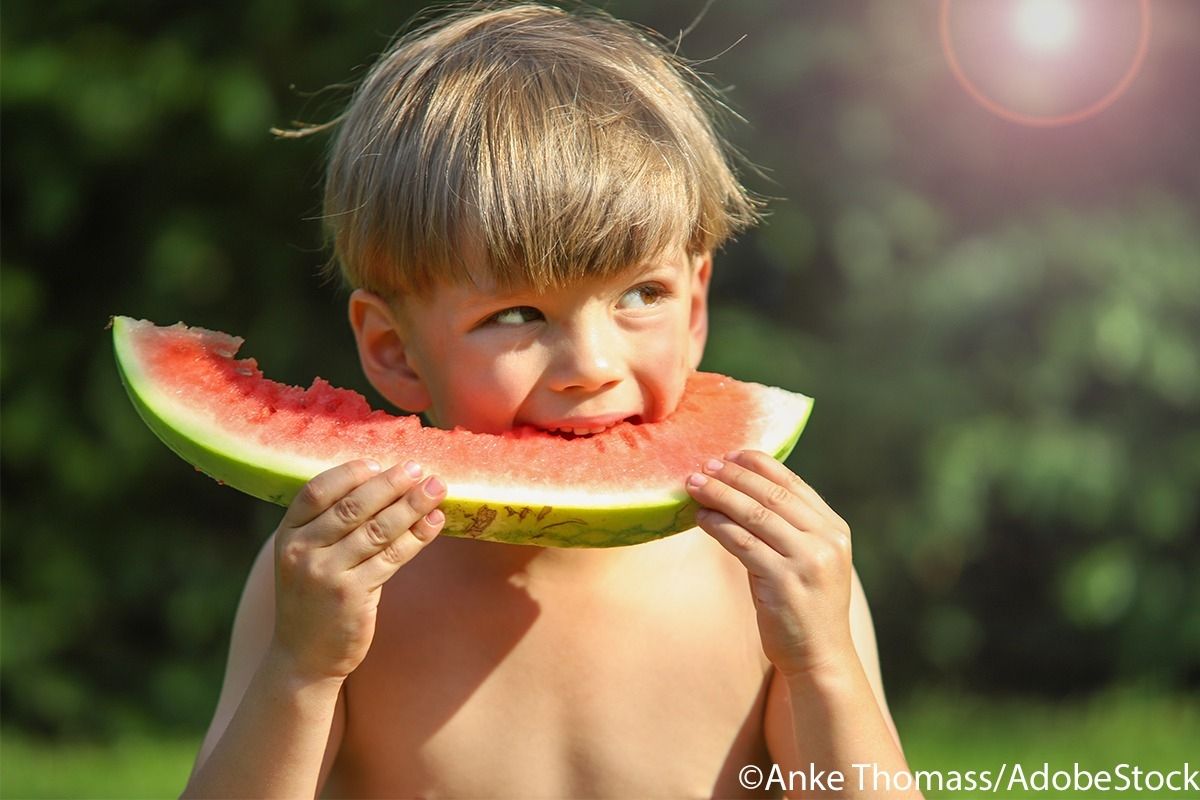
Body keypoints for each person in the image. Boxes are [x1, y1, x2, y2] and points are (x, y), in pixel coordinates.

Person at [183, 3, 918, 797]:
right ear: (395, 350)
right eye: (518, 315)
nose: (592, 365)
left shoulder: (767, 573)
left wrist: (821, 667)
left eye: (642, 294)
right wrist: (300, 670)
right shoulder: (332, 578)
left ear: (697, 304)